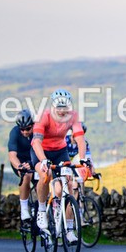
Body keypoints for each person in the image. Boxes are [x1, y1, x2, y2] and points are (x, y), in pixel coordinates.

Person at [32, 89, 85, 243]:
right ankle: (42, 210)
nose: (62, 112)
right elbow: (36, 141)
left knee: (68, 184)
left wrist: (82, 160)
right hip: (41, 150)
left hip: (60, 150)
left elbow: (80, 139)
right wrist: (43, 160)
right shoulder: (44, 116)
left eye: (65, 108)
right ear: (53, 107)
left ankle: (69, 230)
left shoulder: (73, 116)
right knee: (45, 174)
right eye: (59, 108)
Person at [7, 109, 35, 225]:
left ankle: (40, 209)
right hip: (20, 162)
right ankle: (24, 210)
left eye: (28, 129)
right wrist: (20, 166)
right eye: (22, 129)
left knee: (43, 181)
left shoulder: (38, 131)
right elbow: (12, 155)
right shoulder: (14, 132)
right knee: (27, 175)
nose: (25, 132)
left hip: (34, 160)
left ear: (33, 125)